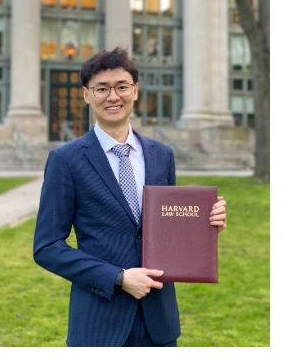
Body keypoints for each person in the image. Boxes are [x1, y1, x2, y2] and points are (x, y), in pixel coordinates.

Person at [33, 47, 227, 347]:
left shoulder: (161, 155)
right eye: (102, 89)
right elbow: (47, 247)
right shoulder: (66, 160)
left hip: (158, 325)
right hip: (100, 324)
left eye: (122, 87)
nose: (113, 97)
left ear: (134, 91)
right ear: (86, 95)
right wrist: (118, 277)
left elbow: (170, 228)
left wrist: (206, 223)